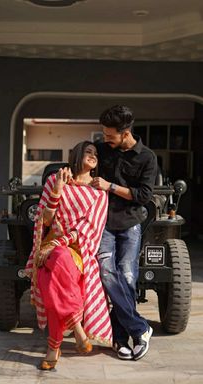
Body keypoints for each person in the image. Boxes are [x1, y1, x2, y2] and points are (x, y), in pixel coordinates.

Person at [25, 141, 112, 370]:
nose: (93, 156)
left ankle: (54, 347)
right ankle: (76, 326)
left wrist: (56, 244)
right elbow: (44, 220)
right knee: (50, 274)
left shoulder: (98, 193)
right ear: (76, 155)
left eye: (96, 153)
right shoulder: (56, 180)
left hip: (77, 251)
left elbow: (87, 231)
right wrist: (57, 192)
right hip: (49, 247)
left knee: (53, 268)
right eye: (88, 151)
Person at [92, 105, 157, 361]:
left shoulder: (147, 157)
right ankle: (140, 329)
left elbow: (143, 196)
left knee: (128, 276)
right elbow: (82, 164)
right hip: (104, 222)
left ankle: (119, 339)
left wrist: (111, 187)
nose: (105, 138)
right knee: (107, 272)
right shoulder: (100, 148)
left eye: (109, 135)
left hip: (131, 222)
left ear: (125, 132)